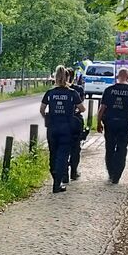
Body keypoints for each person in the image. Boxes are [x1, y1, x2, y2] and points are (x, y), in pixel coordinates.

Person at [40, 65, 86, 193]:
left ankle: (56, 178)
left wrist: (48, 118)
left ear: (55, 77)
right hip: (67, 128)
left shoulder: (50, 93)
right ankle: (57, 184)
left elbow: (42, 110)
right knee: (63, 155)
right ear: (67, 77)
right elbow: (82, 109)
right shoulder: (72, 93)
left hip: (52, 128)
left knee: (53, 155)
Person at [96, 68, 128, 184]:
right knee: (122, 149)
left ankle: (110, 172)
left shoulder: (109, 90)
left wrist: (98, 123)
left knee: (109, 148)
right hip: (124, 124)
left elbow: (102, 109)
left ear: (117, 76)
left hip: (110, 123)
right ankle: (117, 175)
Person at [66, 68, 85, 181]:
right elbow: (81, 106)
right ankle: (73, 172)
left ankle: (63, 174)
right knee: (75, 148)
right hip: (75, 121)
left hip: (61, 122)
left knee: (63, 148)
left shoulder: (57, 90)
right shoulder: (78, 90)